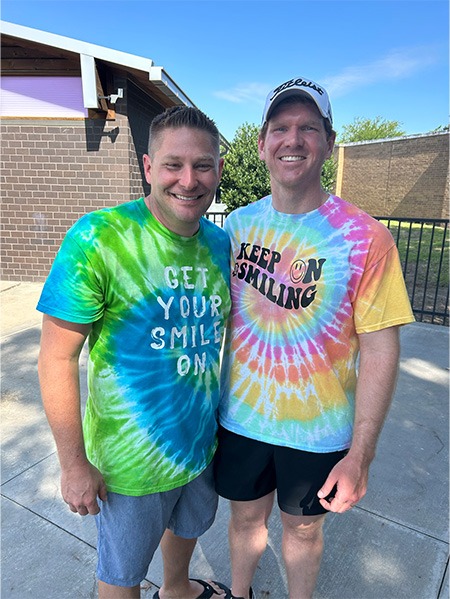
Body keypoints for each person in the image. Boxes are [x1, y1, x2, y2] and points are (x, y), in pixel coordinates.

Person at [214, 77, 415, 599]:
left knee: (303, 530)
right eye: (280, 127)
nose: (293, 139)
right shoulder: (236, 227)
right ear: (261, 144)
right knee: (243, 523)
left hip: (319, 428)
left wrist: (362, 453)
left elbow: (380, 346)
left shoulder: (365, 236)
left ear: (328, 140)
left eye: (308, 127)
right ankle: (241, 595)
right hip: (242, 417)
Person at [37, 106, 232, 599]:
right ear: (148, 167)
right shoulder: (98, 238)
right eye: (173, 165)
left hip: (199, 444)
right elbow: (56, 358)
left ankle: (177, 588)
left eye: (202, 165)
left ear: (218, 171)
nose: (188, 180)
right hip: (129, 465)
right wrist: (74, 463)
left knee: (188, 526)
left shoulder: (221, 245)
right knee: (122, 575)